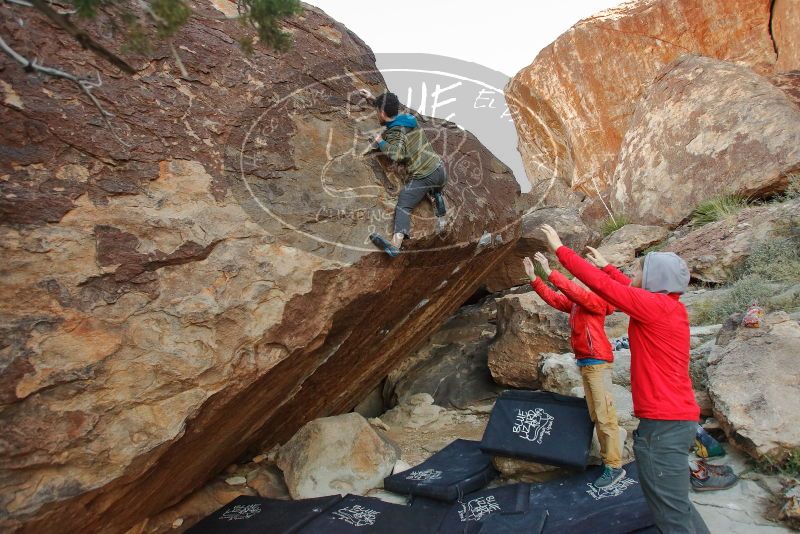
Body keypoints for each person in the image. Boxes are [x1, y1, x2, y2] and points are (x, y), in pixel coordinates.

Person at [539, 224, 709, 534]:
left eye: (640, 268)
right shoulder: (666, 307)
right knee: (675, 506)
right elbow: (626, 289)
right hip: (669, 422)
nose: (633, 270)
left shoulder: (656, 308)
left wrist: (560, 250)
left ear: (655, 279)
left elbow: (606, 289)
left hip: (664, 427)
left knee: (670, 515)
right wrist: (606, 266)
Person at [522, 252, 624, 489]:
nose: (576, 280)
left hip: (597, 362)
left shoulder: (595, 300)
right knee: (596, 414)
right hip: (587, 363)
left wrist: (550, 272)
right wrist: (534, 279)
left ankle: (614, 465)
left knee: (604, 415)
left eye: (580, 277)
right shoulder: (580, 304)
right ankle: (608, 458)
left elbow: (572, 291)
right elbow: (557, 299)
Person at [362, 91, 447, 257]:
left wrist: (380, 141)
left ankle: (395, 245)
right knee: (433, 184)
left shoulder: (395, 132)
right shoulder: (409, 119)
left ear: (381, 112)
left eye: (377, 111)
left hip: (425, 176)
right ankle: (437, 196)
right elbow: (392, 113)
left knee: (404, 204)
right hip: (440, 172)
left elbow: (397, 154)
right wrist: (374, 99)